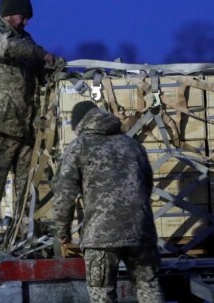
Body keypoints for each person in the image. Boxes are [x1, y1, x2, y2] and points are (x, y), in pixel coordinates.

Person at [0, 0, 60, 271]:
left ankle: (21, 246)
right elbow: (11, 49)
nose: (26, 23)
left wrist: (53, 69)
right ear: (11, 13)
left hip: (24, 130)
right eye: (24, 16)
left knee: (27, 195)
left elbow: (35, 64)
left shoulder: (24, 40)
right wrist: (42, 54)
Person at [53, 101, 165, 303]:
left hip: (101, 236)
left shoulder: (80, 146)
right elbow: (147, 184)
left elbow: (65, 194)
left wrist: (62, 231)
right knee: (149, 290)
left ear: (80, 123)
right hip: (141, 232)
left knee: (102, 296)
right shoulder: (133, 144)